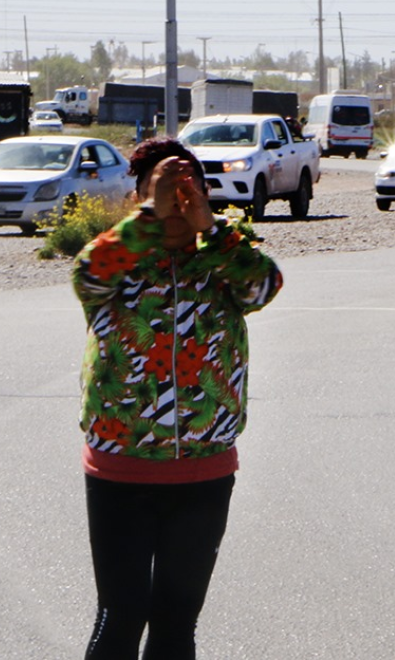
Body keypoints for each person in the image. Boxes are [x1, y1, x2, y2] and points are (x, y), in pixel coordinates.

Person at [73, 138, 283, 659]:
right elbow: (86, 275)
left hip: (204, 473)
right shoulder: (116, 260)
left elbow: (263, 287)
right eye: (161, 194)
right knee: (120, 617)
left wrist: (211, 229)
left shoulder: (225, 261)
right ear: (138, 199)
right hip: (121, 469)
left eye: (188, 195)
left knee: (175, 623)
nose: (175, 207)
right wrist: (151, 217)